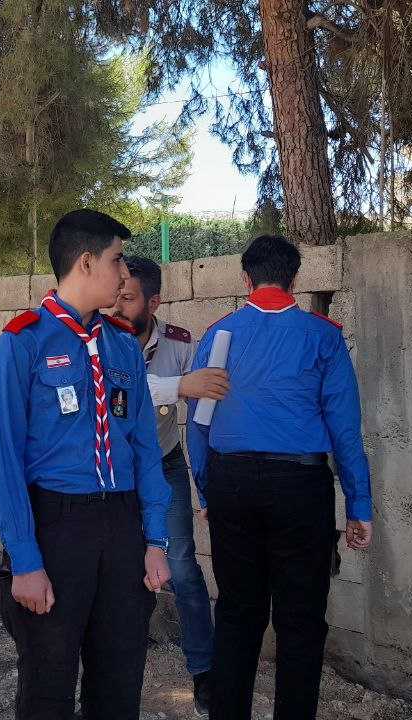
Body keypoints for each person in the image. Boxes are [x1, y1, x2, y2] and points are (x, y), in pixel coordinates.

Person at [0, 209, 172, 720]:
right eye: (117, 261)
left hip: (122, 525)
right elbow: (6, 461)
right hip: (57, 526)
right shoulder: (21, 343)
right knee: (48, 683)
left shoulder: (122, 346)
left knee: (119, 680)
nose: (125, 275)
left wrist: (155, 540)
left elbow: (144, 449)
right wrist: (25, 560)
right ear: (86, 262)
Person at [186, 235, 372, 720]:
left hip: (232, 484)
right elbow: (345, 429)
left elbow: (198, 422)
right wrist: (360, 506)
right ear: (295, 279)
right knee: (301, 621)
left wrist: (206, 489)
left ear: (245, 278)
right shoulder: (322, 336)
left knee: (236, 614)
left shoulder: (220, 334)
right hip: (300, 487)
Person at [111, 255, 229, 716]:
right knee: (115, 569)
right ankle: (108, 678)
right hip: (115, 470)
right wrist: (181, 385)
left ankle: (205, 672)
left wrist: (208, 486)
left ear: (153, 302)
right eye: (116, 295)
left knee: (181, 567)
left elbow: (204, 412)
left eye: (128, 298)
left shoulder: (180, 343)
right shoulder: (101, 339)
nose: (118, 305)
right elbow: (123, 393)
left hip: (164, 462)